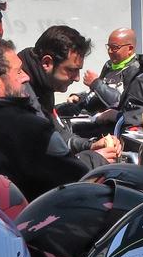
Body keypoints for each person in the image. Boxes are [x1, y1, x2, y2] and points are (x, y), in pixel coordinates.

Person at [0, 38, 106, 200]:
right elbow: (77, 180)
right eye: (19, 71)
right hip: (20, 227)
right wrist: (96, 158)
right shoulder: (30, 128)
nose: (26, 77)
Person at [18, 25, 121, 163]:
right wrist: (92, 159)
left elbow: (56, 134)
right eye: (71, 70)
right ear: (47, 63)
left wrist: (90, 145)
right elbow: (41, 160)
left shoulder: (43, 83)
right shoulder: (21, 92)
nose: (77, 78)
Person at [58, 27, 143, 134]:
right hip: (89, 114)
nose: (110, 51)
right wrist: (79, 97)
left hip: (108, 124)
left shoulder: (136, 70)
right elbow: (97, 92)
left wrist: (96, 83)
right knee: (58, 113)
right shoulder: (109, 65)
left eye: (114, 48)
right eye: (108, 47)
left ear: (130, 49)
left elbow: (120, 101)